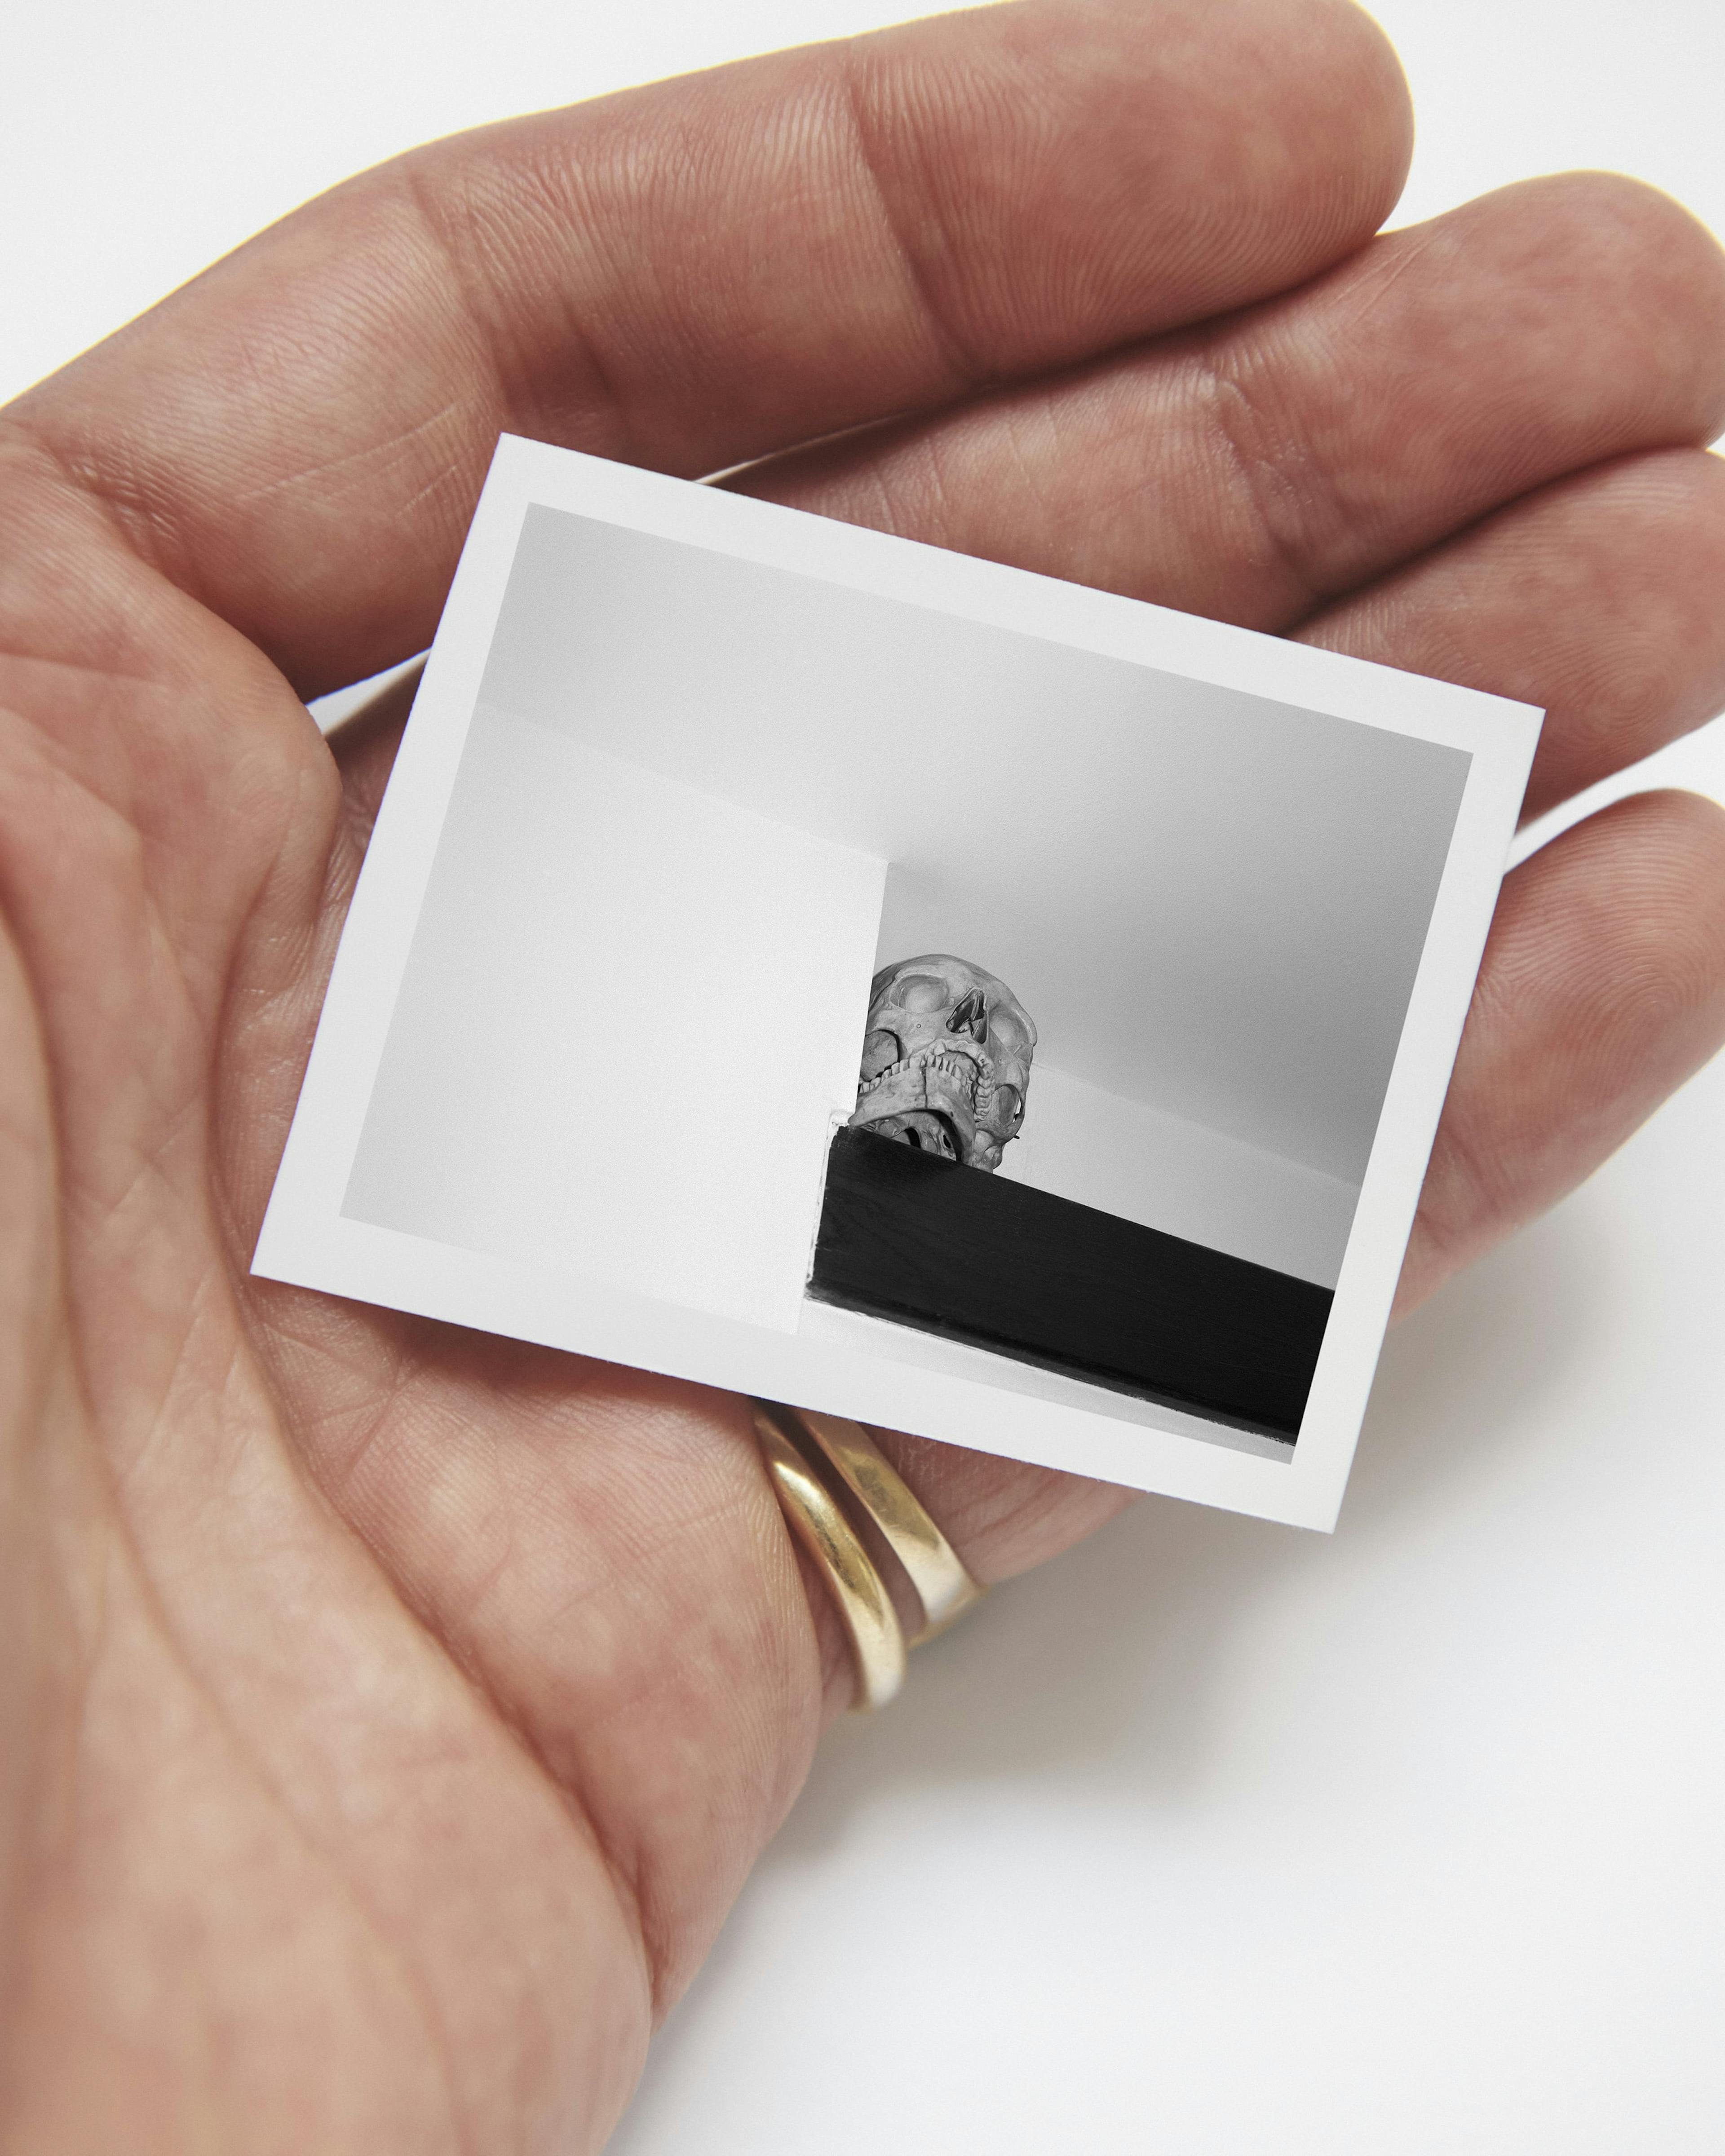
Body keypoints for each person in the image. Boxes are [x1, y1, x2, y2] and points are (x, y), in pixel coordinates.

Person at [1, 0, 1722, 2145]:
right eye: (928, 1022)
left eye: (979, 1043)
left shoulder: (1138, 1291)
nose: (949, 1064)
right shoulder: (631, 1155)